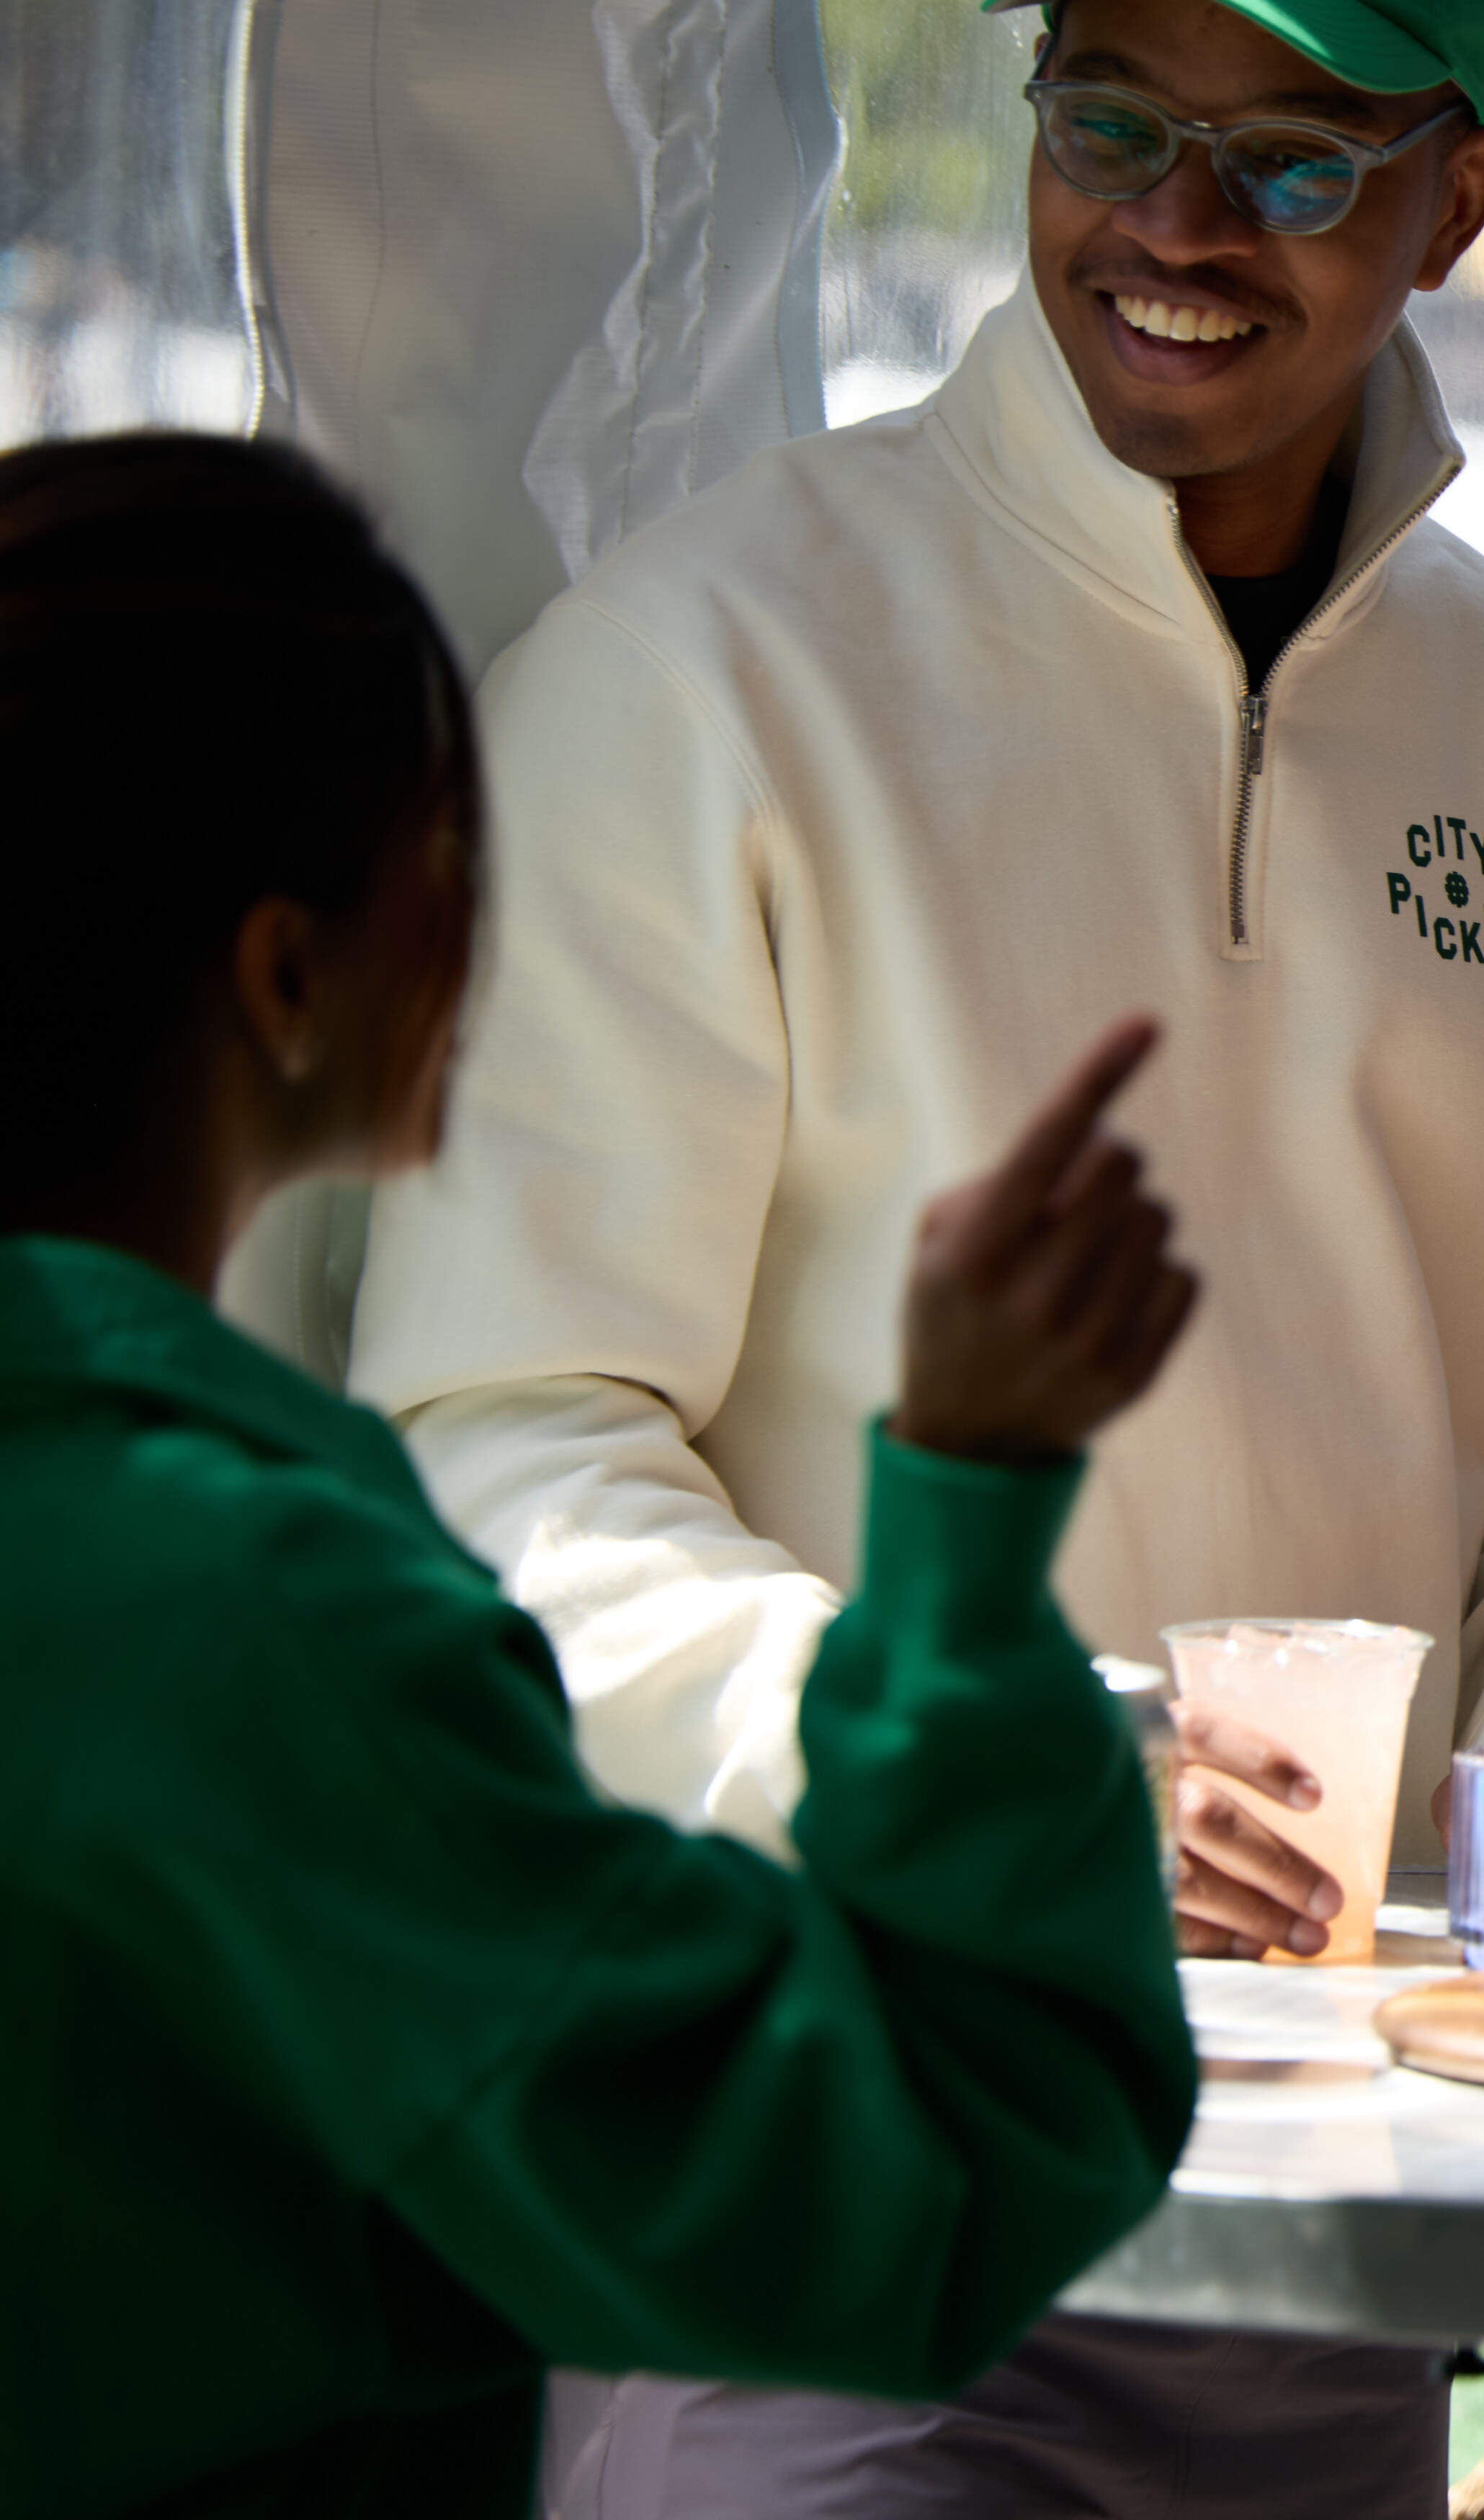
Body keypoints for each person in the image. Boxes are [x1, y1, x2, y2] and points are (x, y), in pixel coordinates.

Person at [344, 0, 1484, 2516]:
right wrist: (992, 1760)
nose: (1175, 226)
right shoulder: (709, 661)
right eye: (1110, 119)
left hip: (1345, 2188)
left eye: (1294, 159)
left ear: (1462, 202)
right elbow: (496, 1446)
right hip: (819, 2172)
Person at [0, 435, 1197, 2519]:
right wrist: (972, 1532)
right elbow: (914, 2179)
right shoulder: (256, 1630)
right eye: (456, 853)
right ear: (292, 980)